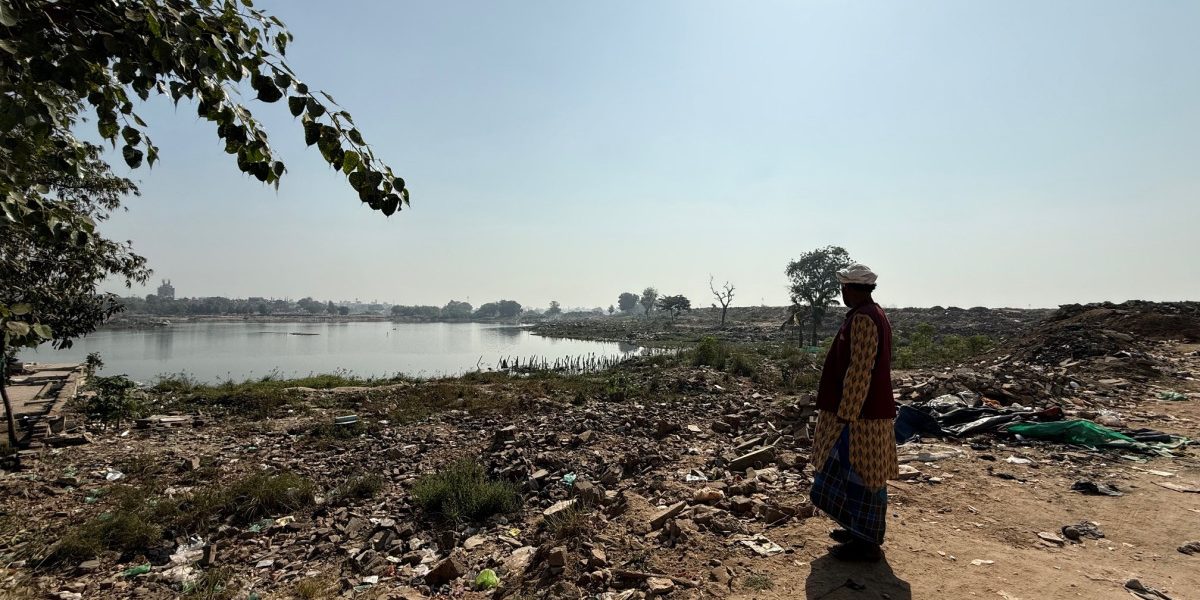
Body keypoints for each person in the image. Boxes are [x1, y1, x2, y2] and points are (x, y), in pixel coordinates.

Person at [809, 263, 899, 562]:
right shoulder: (873, 314)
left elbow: (860, 370)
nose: (842, 294)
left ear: (851, 288)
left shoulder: (864, 319)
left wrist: (847, 413)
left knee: (862, 476)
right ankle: (856, 529)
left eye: (843, 289)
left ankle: (866, 543)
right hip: (863, 413)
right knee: (853, 475)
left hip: (859, 418)